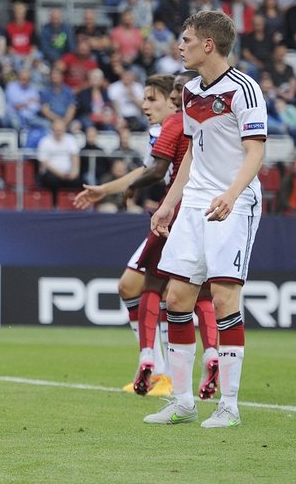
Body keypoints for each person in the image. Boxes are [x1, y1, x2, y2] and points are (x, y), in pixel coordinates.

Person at [147, 11, 266, 428]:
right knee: (176, 300)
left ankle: (228, 406)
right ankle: (182, 402)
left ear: (208, 45)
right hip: (195, 202)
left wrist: (232, 195)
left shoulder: (245, 90)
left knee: (222, 301)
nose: (180, 46)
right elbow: (194, 152)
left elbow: (255, 151)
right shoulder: (191, 90)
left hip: (234, 202)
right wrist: (168, 203)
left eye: (186, 39)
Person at [75, 73, 219, 398]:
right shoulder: (203, 123)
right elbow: (149, 169)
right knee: (194, 293)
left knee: (150, 288)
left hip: (177, 211)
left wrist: (124, 189)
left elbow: (152, 170)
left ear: (175, 98)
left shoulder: (172, 126)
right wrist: (106, 190)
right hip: (205, 210)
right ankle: (201, 357)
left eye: (153, 98)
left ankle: (160, 369)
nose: (145, 105)